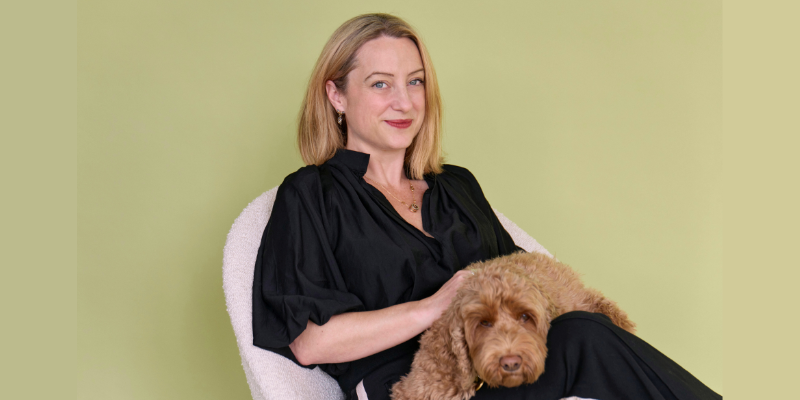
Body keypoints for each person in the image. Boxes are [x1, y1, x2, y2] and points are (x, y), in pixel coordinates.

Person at [252, 13, 720, 400]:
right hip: (411, 389)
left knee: (583, 328)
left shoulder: (455, 186)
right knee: (585, 338)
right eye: (380, 85)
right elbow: (311, 342)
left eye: (415, 82)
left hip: (497, 370)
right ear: (336, 95)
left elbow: (520, 275)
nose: (404, 102)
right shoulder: (310, 195)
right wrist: (435, 306)